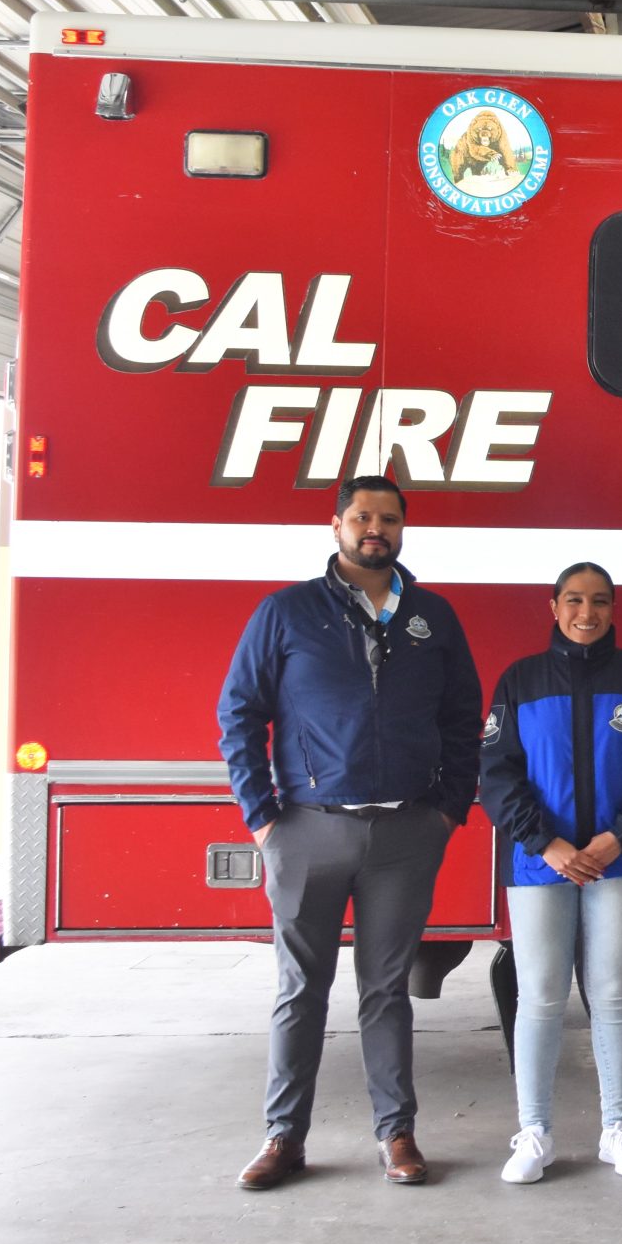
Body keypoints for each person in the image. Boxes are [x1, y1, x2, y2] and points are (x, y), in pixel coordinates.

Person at [218, 475, 483, 1190]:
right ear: (334, 524)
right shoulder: (287, 612)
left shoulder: (433, 615)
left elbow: (465, 716)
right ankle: (283, 1137)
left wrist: (448, 808)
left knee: (386, 988)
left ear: (403, 528)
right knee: (300, 986)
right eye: (362, 516)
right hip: (308, 828)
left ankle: (396, 1133)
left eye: (388, 518)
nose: (375, 528)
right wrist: (265, 817)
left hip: (405, 834)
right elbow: (239, 712)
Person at [478, 562, 622, 1183]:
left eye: (598, 601)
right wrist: (550, 844)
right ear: (554, 606)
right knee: (540, 996)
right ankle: (534, 1133)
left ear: (614, 609)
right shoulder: (521, 681)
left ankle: (616, 1128)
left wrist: (616, 838)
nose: (585, 613)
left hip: (620, 860)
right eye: (573, 600)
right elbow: (497, 774)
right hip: (541, 863)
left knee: (614, 993)